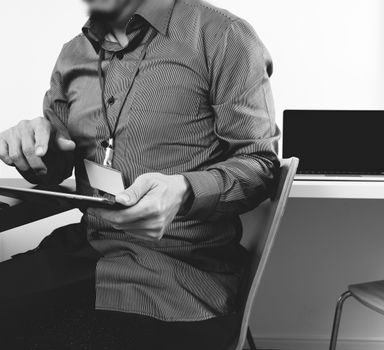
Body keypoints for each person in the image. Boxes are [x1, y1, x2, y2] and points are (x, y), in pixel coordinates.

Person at [0, 0, 279, 348]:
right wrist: (32, 147)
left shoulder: (223, 36)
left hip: (178, 276)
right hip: (84, 253)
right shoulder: (73, 54)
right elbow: (56, 162)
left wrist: (184, 190)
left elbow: (260, 163)